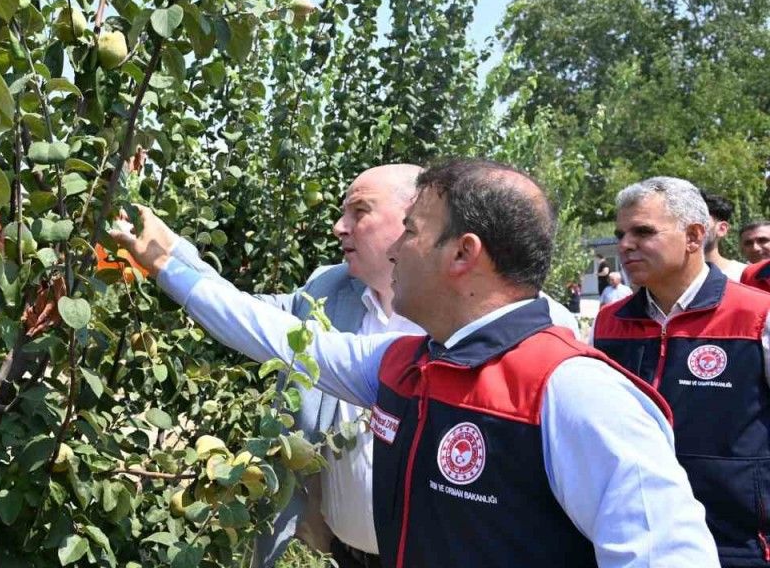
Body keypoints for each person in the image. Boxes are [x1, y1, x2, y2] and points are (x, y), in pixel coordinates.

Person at [113, 158, 716, 568]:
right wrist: (167, 262)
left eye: (412, 231)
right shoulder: (402, 364)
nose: (398, 247)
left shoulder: (575, 392)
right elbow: (273, 334)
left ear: (462, 254)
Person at [247, 163, 425, 568]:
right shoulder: (331, 288)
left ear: (415, 218)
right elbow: (253, 313)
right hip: (348, 555)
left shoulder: (459, 314)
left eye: (359, 211)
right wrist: (167, 266)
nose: (339, 227)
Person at [593, 176, 770, 566]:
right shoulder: (607, 323)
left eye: (643, 232)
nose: (625, 245)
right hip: (638, 541)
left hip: (739, 544)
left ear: (693, 237)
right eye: (621, 234)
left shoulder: (758, 315)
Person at [700, 190, 747, 280]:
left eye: (700, 221)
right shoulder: (672, 279)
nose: (691, 227)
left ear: (722, 229)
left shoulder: (744, 276)